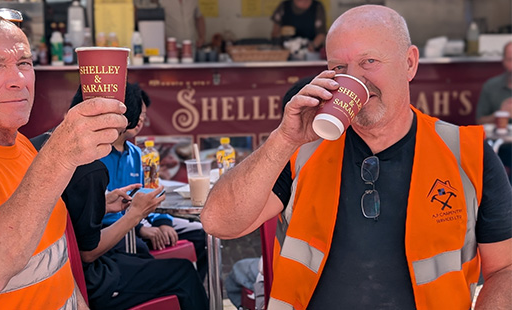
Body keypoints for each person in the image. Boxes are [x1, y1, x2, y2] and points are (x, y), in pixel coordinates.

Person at [202, 5, 512, 310]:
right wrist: (284, 138)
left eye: (370, 61)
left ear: (409, 63)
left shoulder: (467, 153)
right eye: (339, 68)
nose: (355, 80)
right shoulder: (302, 149)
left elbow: (504, 270)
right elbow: (219, 223)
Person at [0, 9, 128, 309]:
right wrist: (58, 157)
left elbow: (56, 264)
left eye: (24, 63)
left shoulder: (19, 144)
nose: (18, 80)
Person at [32, 85, 208, 310]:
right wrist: (134, 216)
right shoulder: (90, 167)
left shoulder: (35, 146)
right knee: (182, 273)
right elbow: (88, 252)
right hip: (88, 281)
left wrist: (102, 205)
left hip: (49, 271)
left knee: (150, 260)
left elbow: (63, 213)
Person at [100, 84, 208, 281]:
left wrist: (162, 222)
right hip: (115, 231)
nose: (141, 120)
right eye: (137, 113)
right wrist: (140, 229)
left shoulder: (138, 154)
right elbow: (99, 210)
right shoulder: (96, 156)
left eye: (143, 115)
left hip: (142, 221)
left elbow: (152, 193)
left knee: (201, 233)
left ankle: (195, 291)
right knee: (139, 250)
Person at [476, 41, 512, 125]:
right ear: (504, 61)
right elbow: (479, 121)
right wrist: (500, 114)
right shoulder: (491, 86)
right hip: (498, 137)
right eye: (510, 60)